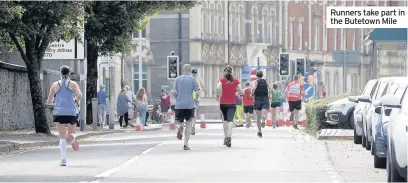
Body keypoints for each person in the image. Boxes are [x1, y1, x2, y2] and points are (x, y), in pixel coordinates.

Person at [47, 65, 82, 166]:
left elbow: (49, 100)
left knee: (62, 137)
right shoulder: (73, 84)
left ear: (60, 73)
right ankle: (72, 137)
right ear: (69, 73)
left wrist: (54, 102)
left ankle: (63, 160)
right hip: (71, 112)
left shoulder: (54, 85)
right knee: (72, 132)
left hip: (59, 112)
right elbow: (79, 95)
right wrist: (75, 100)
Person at [172, 64, 199, 150]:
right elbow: (197, 92)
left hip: (179, 105)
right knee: (189, 124)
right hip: (189, 104)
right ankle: (186, 144)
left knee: (178, 122)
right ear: (190, 71)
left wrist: (177, 98)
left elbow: (174, 92)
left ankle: (179, 127)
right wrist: (195, 100)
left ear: (183, 70)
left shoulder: (177, 79)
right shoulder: (193, 79)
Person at [217, 65, 242, 147]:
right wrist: (236, 93)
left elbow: (218, 87)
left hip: (223, 103)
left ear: (225, 72)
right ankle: (229, 137)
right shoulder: (236, 81)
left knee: (225, 120)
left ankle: (225, 137)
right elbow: (241, 91)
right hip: (232, 103)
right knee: (230, 120)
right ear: (232, 72)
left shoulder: (222, 80)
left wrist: (219, 94)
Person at [251, 70, 270, 138]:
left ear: (256, 76)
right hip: (265, 99)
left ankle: (259, 131)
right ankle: (263, 118)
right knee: (264, 110)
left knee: (258, 117)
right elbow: (269, 89)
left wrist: (252, 93)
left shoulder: (255, 81)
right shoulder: (265, 81)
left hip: (257, 99)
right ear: (262, 75)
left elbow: (253, 88)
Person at [191, 68, 206, 135]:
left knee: (191, 113)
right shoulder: (198, 79)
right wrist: (205, 91)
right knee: (194, 113)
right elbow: (202, 86)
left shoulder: (190, 79)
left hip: (190, 98)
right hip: (195, 98)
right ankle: (193, 125)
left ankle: (192, 125)